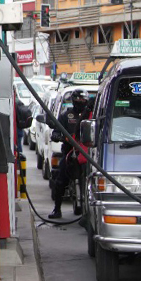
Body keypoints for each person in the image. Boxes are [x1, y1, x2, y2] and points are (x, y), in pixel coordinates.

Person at [49, 91, 91, 219]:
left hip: (87, 154)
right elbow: (56, 131)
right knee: (60, 179)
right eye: (77, 98)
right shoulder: (66, 115)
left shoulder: (90, 116)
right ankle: (57, 209)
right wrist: (57, 136)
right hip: (69, 152)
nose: (80, 101)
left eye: (83, 99)